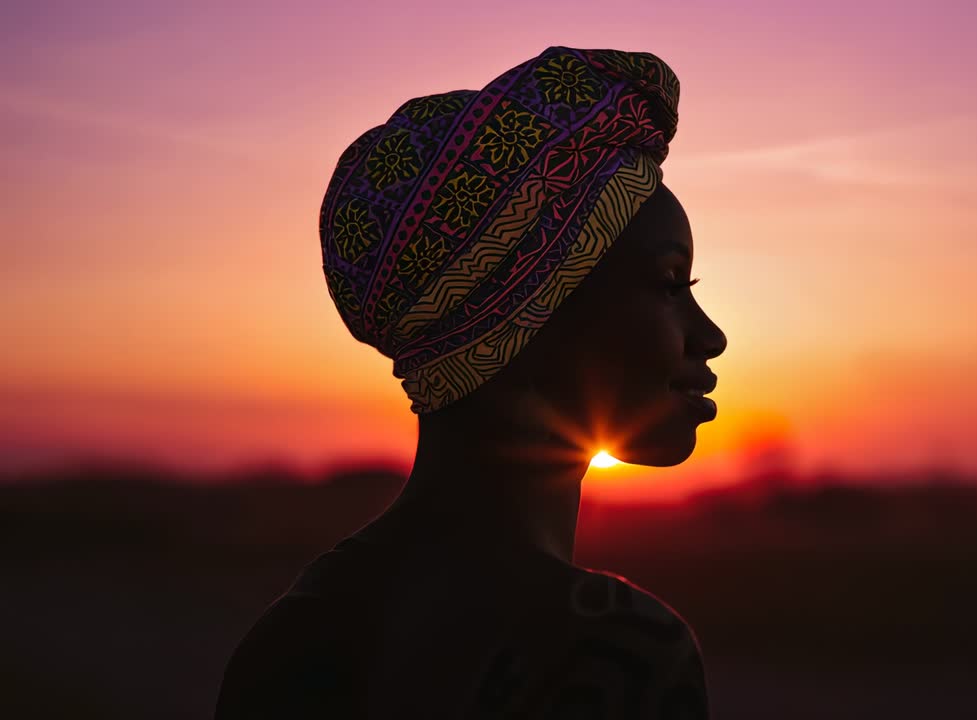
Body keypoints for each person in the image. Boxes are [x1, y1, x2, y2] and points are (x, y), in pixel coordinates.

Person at [214, 46, 727, 719]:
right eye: (669, 285)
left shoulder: (289, 638)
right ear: (528, 316)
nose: (710, 334)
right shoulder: (612, 654)